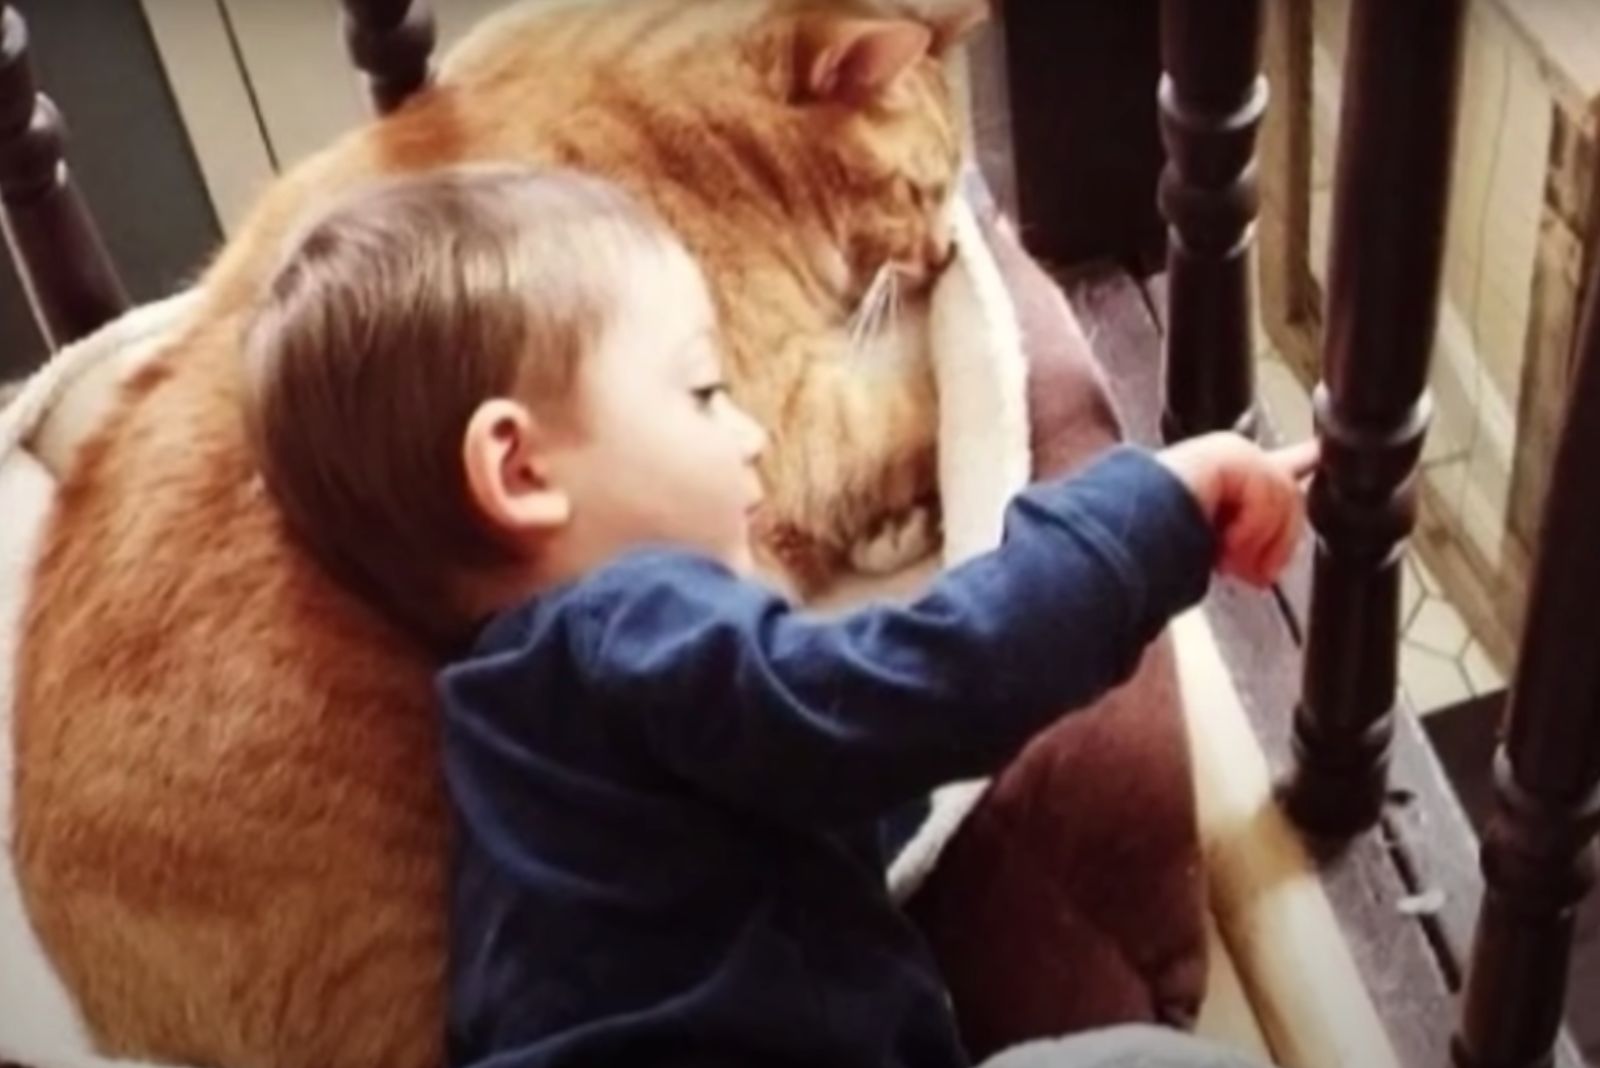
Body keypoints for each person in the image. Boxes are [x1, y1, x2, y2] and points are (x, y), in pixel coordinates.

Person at [242, 165, 1304, 1068]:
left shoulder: (511, 741)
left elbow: (800, 794)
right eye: (704, 393)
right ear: (520, 470)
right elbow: (904, 694)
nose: (751, 436)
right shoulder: (622, 614)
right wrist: (1148, 512)